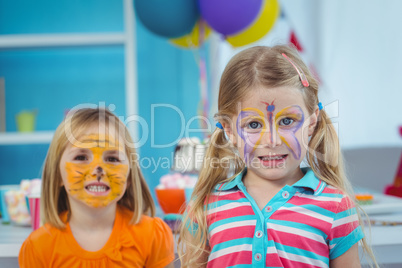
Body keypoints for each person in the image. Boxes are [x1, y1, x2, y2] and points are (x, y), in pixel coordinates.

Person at [179, 45, 377, 267]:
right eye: (253, 124)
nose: (272, 140)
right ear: (229, 131)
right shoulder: (206, 206)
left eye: (287, 121)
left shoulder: (336, 207)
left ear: (311, 122)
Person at [19, 108, 175, 267]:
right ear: (58, 174)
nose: (98, 169)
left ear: (129, 176)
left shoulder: (153, 236)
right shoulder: (38, 247)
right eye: (81, 157)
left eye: (112, 159)